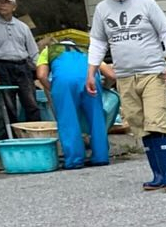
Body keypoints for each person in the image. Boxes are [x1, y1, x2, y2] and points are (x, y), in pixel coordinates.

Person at [87, 0, 166, 192]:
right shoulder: (102, 9)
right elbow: (98, 42)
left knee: (156, 122)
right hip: (125, 76)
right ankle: (157, 175)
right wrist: (91, 73)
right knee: (139, 125)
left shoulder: (146, 3)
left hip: (152, 72)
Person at [35, 40, 111, 169]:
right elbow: (111, 74)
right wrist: (105, 88)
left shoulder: (48, 50)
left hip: (64, 83)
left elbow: (41, 75)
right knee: (97, 119)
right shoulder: (86, 50)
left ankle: (74, 160)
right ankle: (101, 157)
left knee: (68, 120)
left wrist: (52, 88)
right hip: (90, 80)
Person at [0, 0, 41, 124]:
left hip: (23, 67)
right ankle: (12, 140)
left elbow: (33, 52)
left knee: (31, 103)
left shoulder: (23, 27)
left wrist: (39, 71)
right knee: (8, 106)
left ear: (14, 7)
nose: (2, 5)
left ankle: (34, 136)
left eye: (6, 2)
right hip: (1, 67)